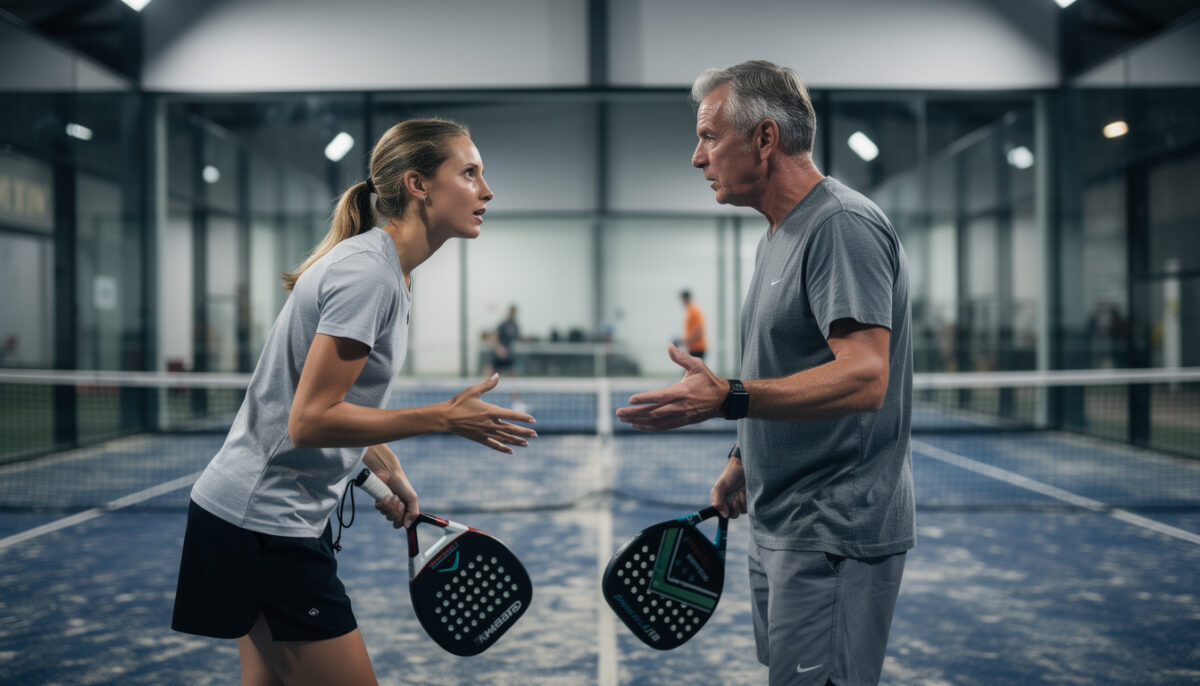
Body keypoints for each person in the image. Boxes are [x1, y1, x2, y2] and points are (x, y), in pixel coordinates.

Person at [171, 118, 537, 686]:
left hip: (264, 518)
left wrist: (386, 473)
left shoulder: (388, 270)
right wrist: (442, 416)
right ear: (418, 184)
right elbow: (310, 419)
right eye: (469, 173)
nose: (486, 191)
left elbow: (329, 405)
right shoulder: (370, 274)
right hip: (263, 525)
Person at [616, 60, 914, 686]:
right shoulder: (778, 233)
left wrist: (729, 397)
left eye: (708, 137)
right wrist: (742, 457)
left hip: (832, 528)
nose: (697, 158)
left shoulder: (841, 227)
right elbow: (784, 363)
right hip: (779, 518)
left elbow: (865, 377)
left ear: (765, 138)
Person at [679, 289, 708, 360]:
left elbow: (699, 331)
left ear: (685, 298)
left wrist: (684, 341)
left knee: (693, 370)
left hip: (697, 349)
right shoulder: (690, 311)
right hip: (693, 349)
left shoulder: (694, 311)